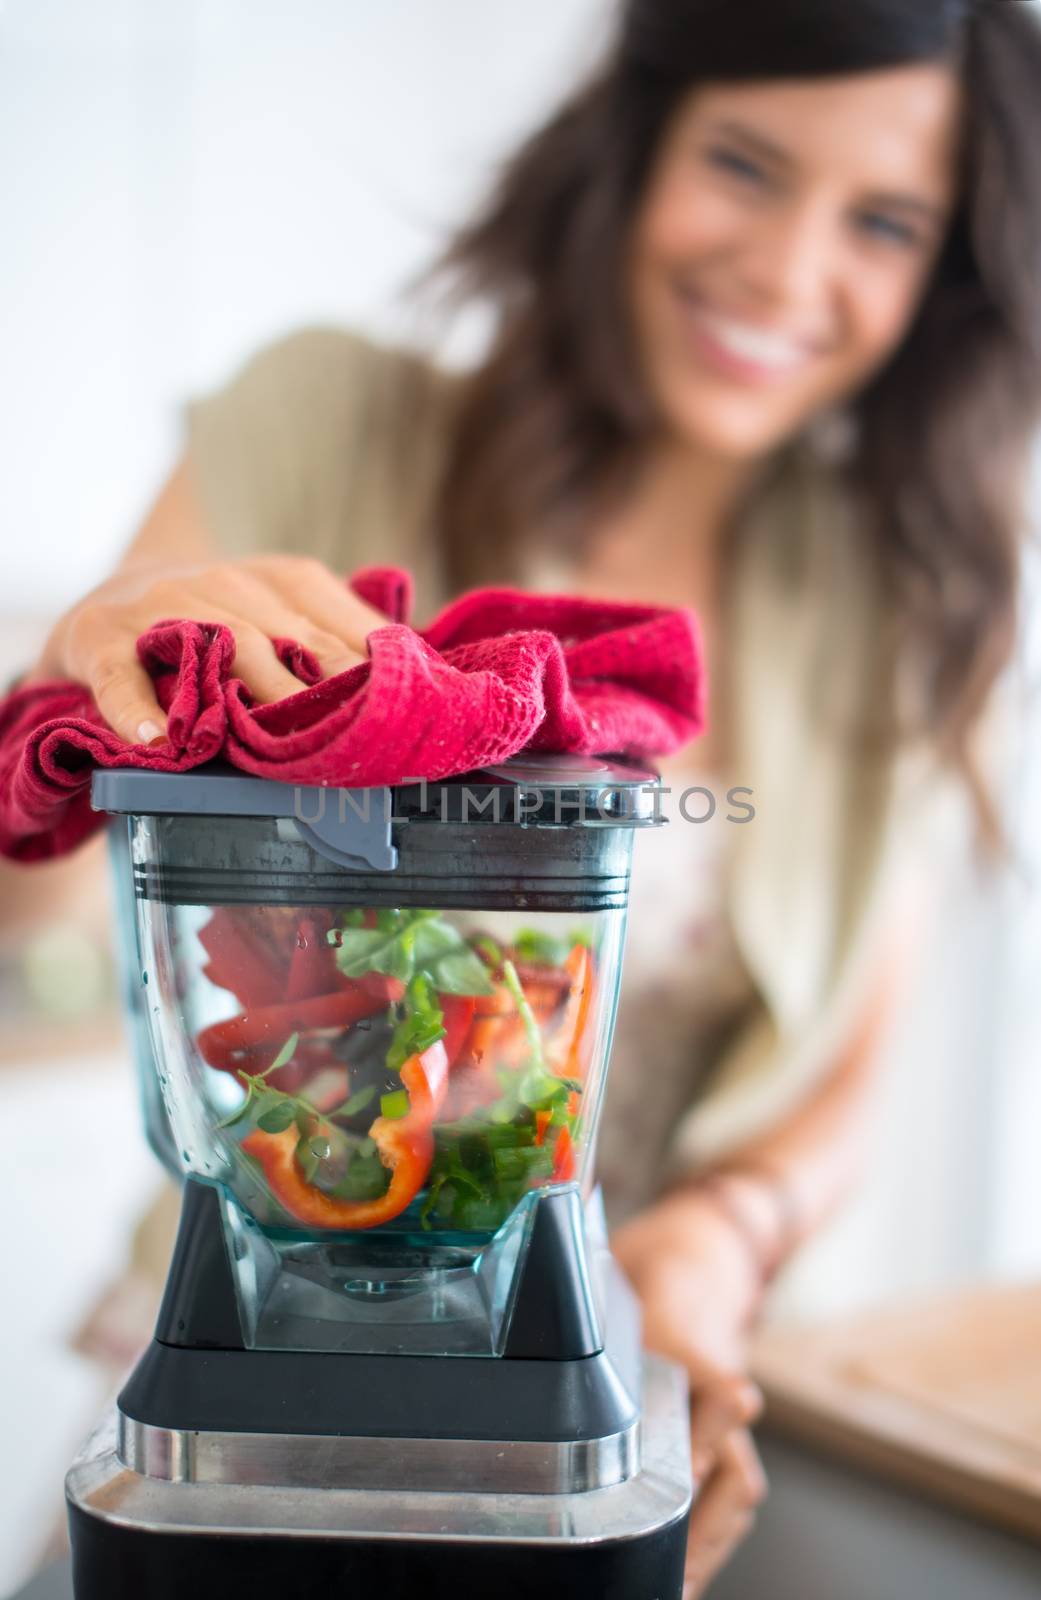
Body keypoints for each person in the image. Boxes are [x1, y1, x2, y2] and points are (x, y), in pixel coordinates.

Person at [12, 2, 1041, 1593]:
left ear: (943, 281)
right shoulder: (327, 418)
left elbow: (845, 1071)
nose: (784, 268)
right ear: (628, 154)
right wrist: (65, 703)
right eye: (745, 166)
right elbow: (31, 901)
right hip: (244, 1326)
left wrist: (712, 1243)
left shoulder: (888, 600)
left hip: (621, 1361)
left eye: (882, 220)